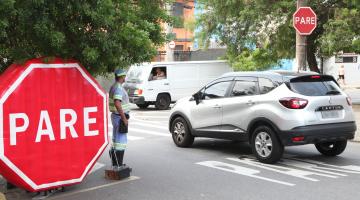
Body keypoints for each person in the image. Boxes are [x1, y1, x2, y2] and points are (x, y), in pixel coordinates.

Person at [109, 69, 131, 169]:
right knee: (121, 142)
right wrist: (124, 118)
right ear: (121, 77)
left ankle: (115, 164)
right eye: (124, 76)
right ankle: (119, 165)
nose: (125, 78)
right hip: (119, 118)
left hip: (116, 117)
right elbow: (117, 103)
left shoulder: (113, 86)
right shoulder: (118, 88)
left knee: (116, 141)